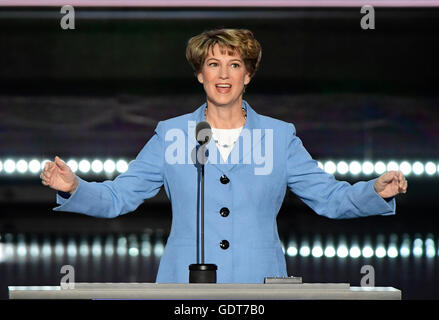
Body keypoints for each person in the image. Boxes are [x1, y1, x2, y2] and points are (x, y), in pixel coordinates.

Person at [40, 28, 408, 284]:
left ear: (248, 75)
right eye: (214, 64)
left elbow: (330, 198)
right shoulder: (173, 135)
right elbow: (119, 197)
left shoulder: (279, 137)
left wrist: (375, 190)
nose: (224, 74)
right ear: (200, 74)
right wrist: (74, 187)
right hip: (185, 285)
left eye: (234, 64)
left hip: (260, 284)